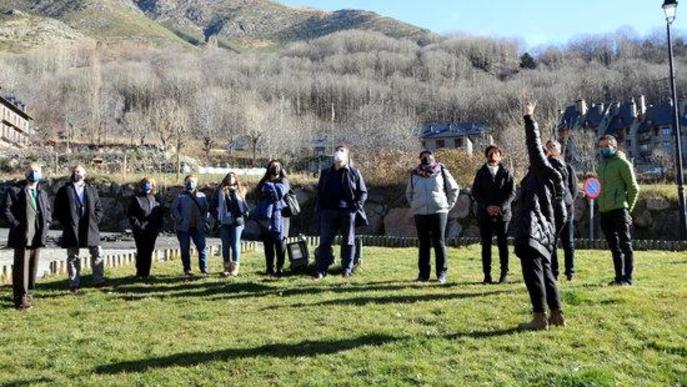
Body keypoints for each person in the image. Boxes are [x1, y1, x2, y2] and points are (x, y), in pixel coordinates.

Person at [514, 100, 567, 331]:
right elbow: (563, 213)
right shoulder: (557, 176)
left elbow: (533, 145)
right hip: (545, 232)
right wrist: (553, 234)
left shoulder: (543, 168)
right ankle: (557, 315)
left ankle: (539, 317)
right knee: (546, 273)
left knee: (533, 273)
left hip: (532, 229)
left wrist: (529, 118)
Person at [405, 150, 459, 284]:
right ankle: (423, 275)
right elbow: (409, 193)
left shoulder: (441, 171)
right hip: (420, 213)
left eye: (428, 156)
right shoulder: (414, 174)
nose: (426, 158)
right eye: (423, 156)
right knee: (423, 243)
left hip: (439, 211)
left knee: (439, 242)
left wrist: (447, 206)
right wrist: (415, 206)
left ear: (433, 158)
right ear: (420, 158)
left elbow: (454, 189)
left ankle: (441, 274)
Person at [2, 164, 51, 309]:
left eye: (36, 171)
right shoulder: (15, 190)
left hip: (37, 236)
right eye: (31, 171)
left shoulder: (42, 193)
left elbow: (47, 211)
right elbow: (6, 209)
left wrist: (47, 224)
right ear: (25, 173)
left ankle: (29, 294)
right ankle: (20, 299)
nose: (33, 174)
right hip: (22, 236)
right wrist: (16, 224)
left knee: (33, 267)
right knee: (21, 268)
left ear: (41, 174)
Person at [316, 145, 368, 279]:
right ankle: (321, 270)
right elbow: (320, 192)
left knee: (348, 241)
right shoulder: (326, 173)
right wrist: (321, 209)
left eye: (342, 151)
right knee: (325, 241)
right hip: (328, 212)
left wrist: (356, 207)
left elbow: (362, 192)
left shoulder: (354, 172)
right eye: (337, 150)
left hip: (347, 212)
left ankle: (347, 269)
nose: (338, 153)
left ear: (346, 156)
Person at [54, 165, 105, 293]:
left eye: (79, 171)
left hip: (90, 226)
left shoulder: (91, 189)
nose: (76, 173)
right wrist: (66, 223)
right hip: (72, 227)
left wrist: (95, 220)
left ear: (84, 174)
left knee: (97, 253)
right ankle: (74, 283)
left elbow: (99, 208)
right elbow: (58, 209)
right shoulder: (65, 190)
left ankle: (99, 281)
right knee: (72, 256)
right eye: (74, 171)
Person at [597, 135, 640, 286]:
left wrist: (628, 208)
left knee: (625, 245)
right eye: (601, 146)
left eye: (606, 146)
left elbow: (634, 188)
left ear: (614, 147)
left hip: (620, 210)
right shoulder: (601, 166)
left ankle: (627, 279)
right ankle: (618, 278)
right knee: (614, 247)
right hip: (604, 211)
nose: (603, 149)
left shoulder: (623, 163)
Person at [471, 144, 516, 284]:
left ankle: (504, 274)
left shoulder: (506, 172)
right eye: (491, 153)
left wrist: (500, 207)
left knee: (503, 245)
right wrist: (487, 207)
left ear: (500, 156)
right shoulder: (481, 172)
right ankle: (487, 275)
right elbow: (475, 192)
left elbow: (512, 193)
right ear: (486, 155)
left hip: (503, 214)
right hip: (485, 214)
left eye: (496, 153)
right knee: (486, 245)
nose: (493, 155)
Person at [545, 140, 579, 281]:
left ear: (560, 149)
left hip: (567, 207)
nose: (553, 148)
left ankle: (570, 271)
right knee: (552, 242)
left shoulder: (568, 167)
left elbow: (574, 188)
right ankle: (554, 272)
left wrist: (568, 200)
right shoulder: (544, 166)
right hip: (551, 209)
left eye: (555, 146)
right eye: (550, 146)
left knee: (568, 242)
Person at [255, 160, 290, 277]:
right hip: (266, 217)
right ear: (268, 168)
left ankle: (280, 268)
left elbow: (278, 195)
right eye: (272, 166)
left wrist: (269, 188)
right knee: (268, 244)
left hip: (281, 217)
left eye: (277, 166)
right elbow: (257, 194)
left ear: (281, 168)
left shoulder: (284, 180)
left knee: (280, 243)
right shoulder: (263, 181)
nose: (275, 168)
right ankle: (269, 268)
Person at [210, 172, 249, 277]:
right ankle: (226, 267)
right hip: (223, 221)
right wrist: (218, 216)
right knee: (225, 244)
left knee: (235, 243)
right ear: (226, 179)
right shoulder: (219, 191)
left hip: (237, 221)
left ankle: (235, 268)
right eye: (229, 177)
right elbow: (212, 206)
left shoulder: (241, 190)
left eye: (233, 177)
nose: (231, 179)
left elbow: (244, 207)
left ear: (236, 179)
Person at [171, 175, 209, 277]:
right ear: (185, 183)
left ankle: (204, 269)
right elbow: (174, 209)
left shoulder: (202, 196)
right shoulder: (180, 196)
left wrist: (204, 220)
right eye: (188, 181)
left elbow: (206, 210)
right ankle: (187, 269)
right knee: (184, 249)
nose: (191, 183)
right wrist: (180, 219)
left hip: (198, 227)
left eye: (193, 181)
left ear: (196, 183)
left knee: (202, 247)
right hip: (183, 227)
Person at [127, 177, 164, 281]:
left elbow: (160, 213)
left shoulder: (156, 198)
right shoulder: (136, 198)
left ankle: (146, 273)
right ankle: (140, 272)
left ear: (153, 186)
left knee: (149, 250)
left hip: (152, 229)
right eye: (146, 183)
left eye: (150, 183)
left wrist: (158, 226)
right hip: (140, 229)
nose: (148, 185)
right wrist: (137, 225)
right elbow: (131, 214)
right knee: (141, 250)